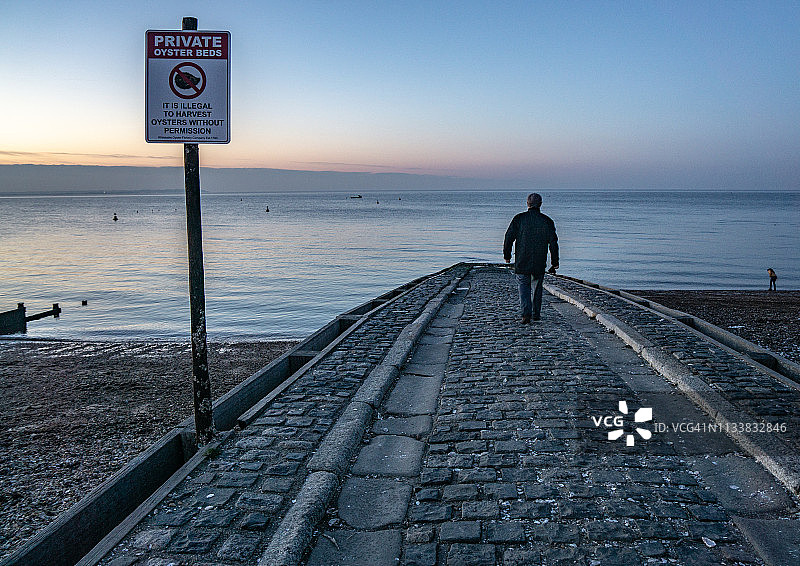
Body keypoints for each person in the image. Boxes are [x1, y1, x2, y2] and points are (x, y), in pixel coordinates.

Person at [503, 193, 559, 323]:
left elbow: (508, 237)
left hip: (522, 260)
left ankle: (525, 314)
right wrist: (555, 261)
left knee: (523, 287)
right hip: (539, 261)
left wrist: (507, 255)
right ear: (540, 204)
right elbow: (553, 243)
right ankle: (536, 314)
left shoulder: (519, 219)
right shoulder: (547, 221)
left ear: (527, 204)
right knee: (537, 287)